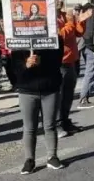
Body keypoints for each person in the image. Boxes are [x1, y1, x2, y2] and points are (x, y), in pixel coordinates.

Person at [12, 41, 64, 174]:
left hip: (50, 89)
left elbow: (58, 62)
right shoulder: (18, 40)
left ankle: (52, 156)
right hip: (27, 90)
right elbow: (14, 68)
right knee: (29, 127)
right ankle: (29, 160)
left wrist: (42, 61)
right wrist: (26, 65)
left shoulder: (54, 38)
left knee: (50, 125)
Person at [53, 0, 91, 136]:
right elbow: (60, 35)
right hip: (59, 62)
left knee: (68, 95)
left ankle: (65, 120)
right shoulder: (49, 18)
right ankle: (56, 125)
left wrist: (81, 20)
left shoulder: (65, 16)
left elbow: (78, 33)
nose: (60, 1)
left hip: (71, 60)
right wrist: (70, 23)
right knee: (59, 95)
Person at [79, 0, 94, 106]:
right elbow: (90, 32)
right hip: (92, 47)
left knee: (91, 72)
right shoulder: (93, 13)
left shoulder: (88, 11)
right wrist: (93, 47)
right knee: (91, 73)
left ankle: (85, 96)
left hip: (88, 46)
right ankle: (84, 98)